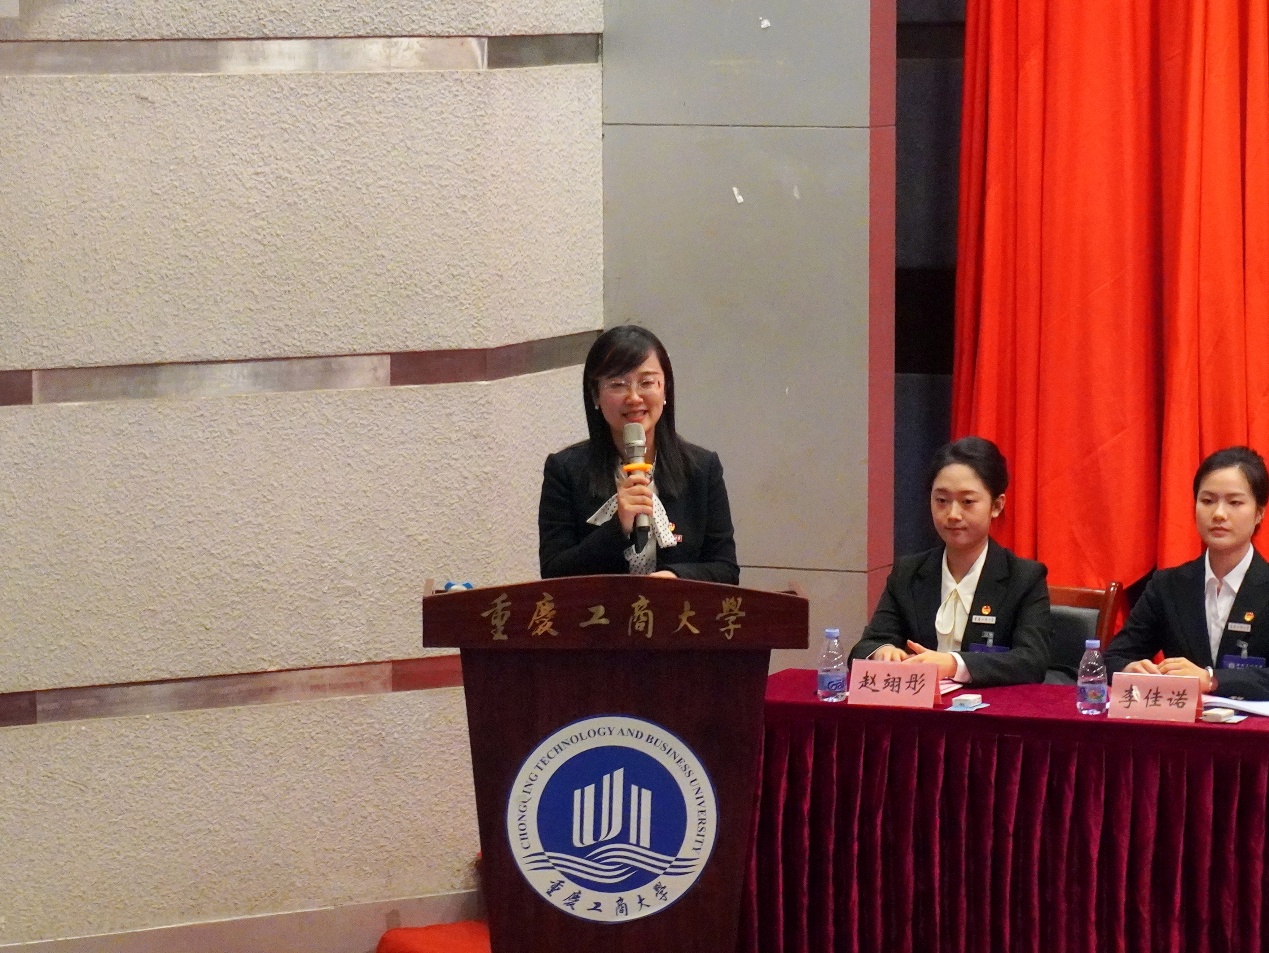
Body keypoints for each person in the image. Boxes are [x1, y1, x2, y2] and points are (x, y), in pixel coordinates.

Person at [538, 325, 739, 583]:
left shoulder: (702, 468)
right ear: (595, 395)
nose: (634, 397)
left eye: (646, 383)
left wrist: (675, 578)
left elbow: (726, 571)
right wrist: (617, 528)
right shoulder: (565, 471)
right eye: (618, 384)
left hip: (676, 607)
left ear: (665, 390)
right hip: (600, 609)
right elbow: (554, 574)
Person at [850, 436, 1051, 686]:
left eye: (967, 502)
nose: (953, 514)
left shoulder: (1024, 578)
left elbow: (1031, 661)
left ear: (997, 505)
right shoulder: (908, 573)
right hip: (920, 705)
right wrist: (883, 652)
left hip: (988, 708)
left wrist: (954, 664)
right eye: (942, 501)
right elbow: (866, 646)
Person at [1105, 446, 1269, 699]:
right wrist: (1130, 669)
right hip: (1183, 719)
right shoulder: (1168, 586)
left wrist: (1212, 679)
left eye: (1234, 502)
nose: (1219, 514)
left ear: (1259, 512)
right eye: (1207, 501)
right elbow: (1113, 658)